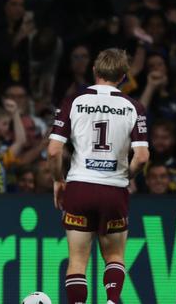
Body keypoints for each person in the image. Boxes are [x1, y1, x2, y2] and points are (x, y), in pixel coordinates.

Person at [47, 48, 150, 304]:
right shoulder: (133, 107)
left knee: (78, 260)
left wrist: (58, 180)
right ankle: (112, 301)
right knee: (114, 256)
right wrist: (127, 176)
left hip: (80, 186)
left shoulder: (74, 101)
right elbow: (143, 156)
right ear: (124, 76)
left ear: (95, 70)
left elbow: (53, 151)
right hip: (114, 188)